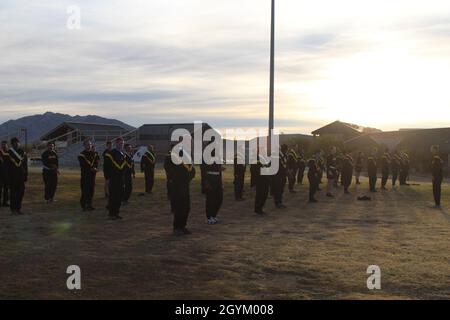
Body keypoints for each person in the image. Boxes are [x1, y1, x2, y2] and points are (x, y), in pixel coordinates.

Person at [168, 147, 196, 236]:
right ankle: (176, 228)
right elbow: (171, 173)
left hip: (185, 187)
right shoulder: (172, 160)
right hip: (177, 187)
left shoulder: (186, 162)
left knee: (186, 208)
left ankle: (183, 226)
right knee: (179, 208)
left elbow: (192, 171)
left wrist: (187, 179)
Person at [104, 138, 127, 220]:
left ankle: (116, 212)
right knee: (113, 196)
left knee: (119, 196)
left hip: (121, 179)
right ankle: (111, 214)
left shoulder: (123, 154)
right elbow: (106, 167)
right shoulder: (111, 154)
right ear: (116, 144)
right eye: (120, 143)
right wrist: (107, 178)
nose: (121, 145)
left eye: (122, 143)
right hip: (113, 179)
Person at [6, 138, 28, 215]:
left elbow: (25, 165)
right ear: (12, 144)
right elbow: (7, 166)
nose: (17, 144)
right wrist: (7, 178)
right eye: (15, 143)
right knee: (13, 193)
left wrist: (26, 175)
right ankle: (13, 209)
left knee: (21, 192)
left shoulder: (22, 152)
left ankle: (18, 208)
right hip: (12, 176)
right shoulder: (9, 152)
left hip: (21, 176)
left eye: (18, 142)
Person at [204, 151, 224, 225]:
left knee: (219, 199)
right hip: (210, 181)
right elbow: (204, 170)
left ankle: (213, 215)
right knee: (210, 201)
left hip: (217, 182)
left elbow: (218, 171)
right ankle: (209, 217)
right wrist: (206, 183)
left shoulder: (217, 157)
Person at [78, 139, 98, 212]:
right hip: (85, 175)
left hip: (92, 176)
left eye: (90, 144)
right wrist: (91, 169)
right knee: (85, 191)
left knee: (91, 191)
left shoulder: (94, 154)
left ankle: (89, 204)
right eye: (87, 144)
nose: (89, 146)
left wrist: (95, 168)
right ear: (84, 146)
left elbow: (96, 162)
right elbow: (83, 165)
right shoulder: (81, 155)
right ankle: (83, 206)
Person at [272, 144, 288, 209]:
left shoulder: (282, 155)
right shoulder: (277, 155)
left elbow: (284, 164)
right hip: (278, 175)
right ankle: (277, 202)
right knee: (278, 190)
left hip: (282, 175)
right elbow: (280, 165)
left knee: (281, 189)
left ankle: (279, 202)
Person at [164, 145, 175, 213]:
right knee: (169, 185)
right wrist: (168, 172)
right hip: (170, 174)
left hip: (177, 175)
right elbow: (166, 165)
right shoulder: (168, 156)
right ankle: (169, 195)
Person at [0, 141, 10, 207]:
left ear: (7, 146)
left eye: (5, 145)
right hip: (0, 174)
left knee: (6, 189)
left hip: (7, 174)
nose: (4, 146)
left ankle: (5, 202)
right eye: (2, 145)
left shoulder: (9, 153)